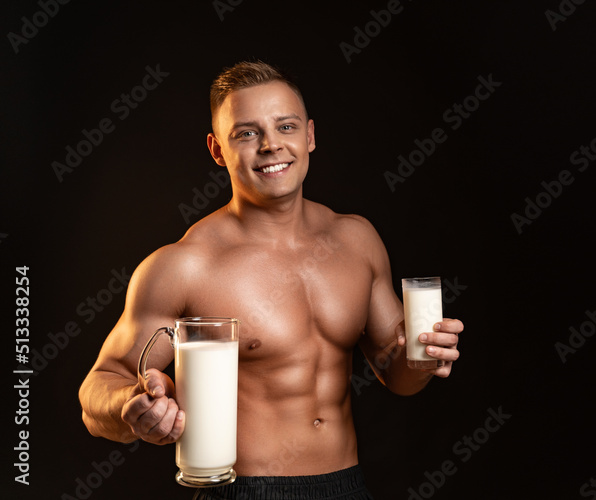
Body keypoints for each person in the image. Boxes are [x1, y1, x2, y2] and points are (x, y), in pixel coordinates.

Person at [78, 60, 463, 500]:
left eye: (286, 126)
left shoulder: (357, 240)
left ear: (310, 135)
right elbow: (99, 387)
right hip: (243, 492)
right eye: (246, 133)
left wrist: (424, 356)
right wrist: (131, 409)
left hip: (347, 487)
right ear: (217, 150)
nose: (270, 145)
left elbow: (396, 374)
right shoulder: (184, 265)